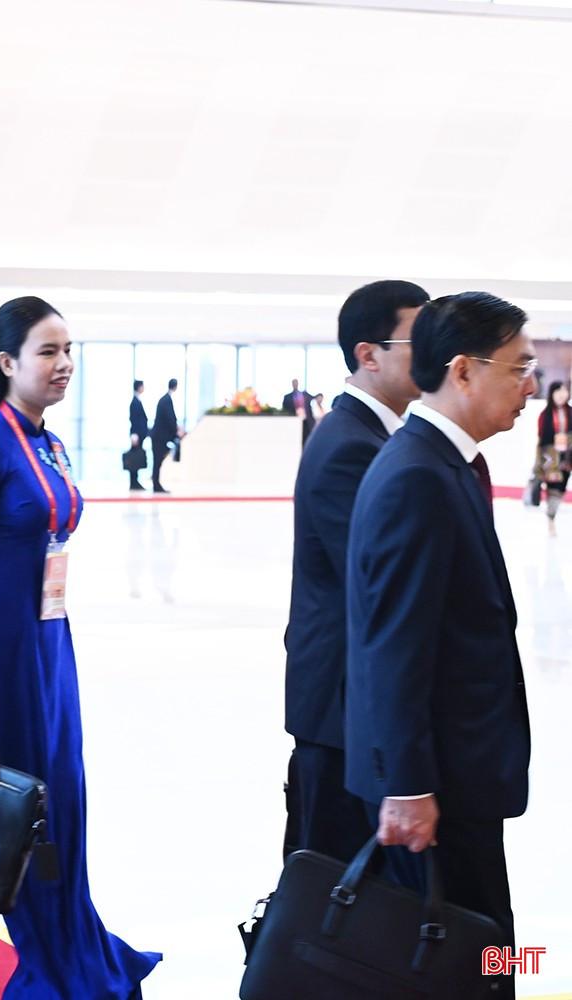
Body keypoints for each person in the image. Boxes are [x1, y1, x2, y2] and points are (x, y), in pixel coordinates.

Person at [0, 297, 161, 999]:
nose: (64, 363)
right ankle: (39, 961)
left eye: (69, 350)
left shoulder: (50, 443)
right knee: (16, 807)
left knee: (61, 795)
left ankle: (73, 944)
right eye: (48, 351)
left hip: (50, 645)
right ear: (7, 362)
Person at [346, 292, 534, 970]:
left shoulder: (441, 464)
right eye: (518, 367)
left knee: (482, 948)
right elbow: (395, 648)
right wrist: (408, 786)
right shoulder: (418, 476)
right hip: (437, 789)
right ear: (463, 370)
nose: (530, 385)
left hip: (458, 775)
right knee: (474, 956)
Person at [283, 280, 427, 863]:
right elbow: (377, 587)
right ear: (368, 354)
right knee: (335, 885)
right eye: (419, 341)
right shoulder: (352, 445)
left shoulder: (373, 435)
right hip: (339, 706)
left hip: (350, 703)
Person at [535, 381, 571, 535]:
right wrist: (539, 463)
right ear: (552, 394)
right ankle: (551, 517)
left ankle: (552, 513)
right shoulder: (545, 415)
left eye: (564, 391)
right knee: (553, 488)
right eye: (558, 392)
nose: (562, 395)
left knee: (561, 488)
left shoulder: (570, 412)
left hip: (567, 456)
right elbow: (541, 439)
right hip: (550, 457)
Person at [150, 378, 182, 494]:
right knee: (157, 461)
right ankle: (156, 485)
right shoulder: (166, 400)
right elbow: (170, 418)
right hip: (159, 437)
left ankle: (156, 484)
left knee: (157, 461)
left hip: (158, 436)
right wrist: (176, 431)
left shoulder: (165, 399)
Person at [283, 378, 318, 447]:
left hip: (306, 421)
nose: (295, 384)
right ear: (292, 384)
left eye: (296, 383)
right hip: (294, 421)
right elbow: (285, 409)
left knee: (306, 439)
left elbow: (314, 398)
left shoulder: (304, 394)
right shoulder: (287, 397)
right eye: (294, 383)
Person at [128, 379, 148, 490]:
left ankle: (135, 481)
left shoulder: (137, 400)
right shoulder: (135, 402)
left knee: (137, 457)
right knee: (134, 458)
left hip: (139, 434)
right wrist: (134, 434)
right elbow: (134, 419)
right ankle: (133, 482)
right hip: (136, 435)